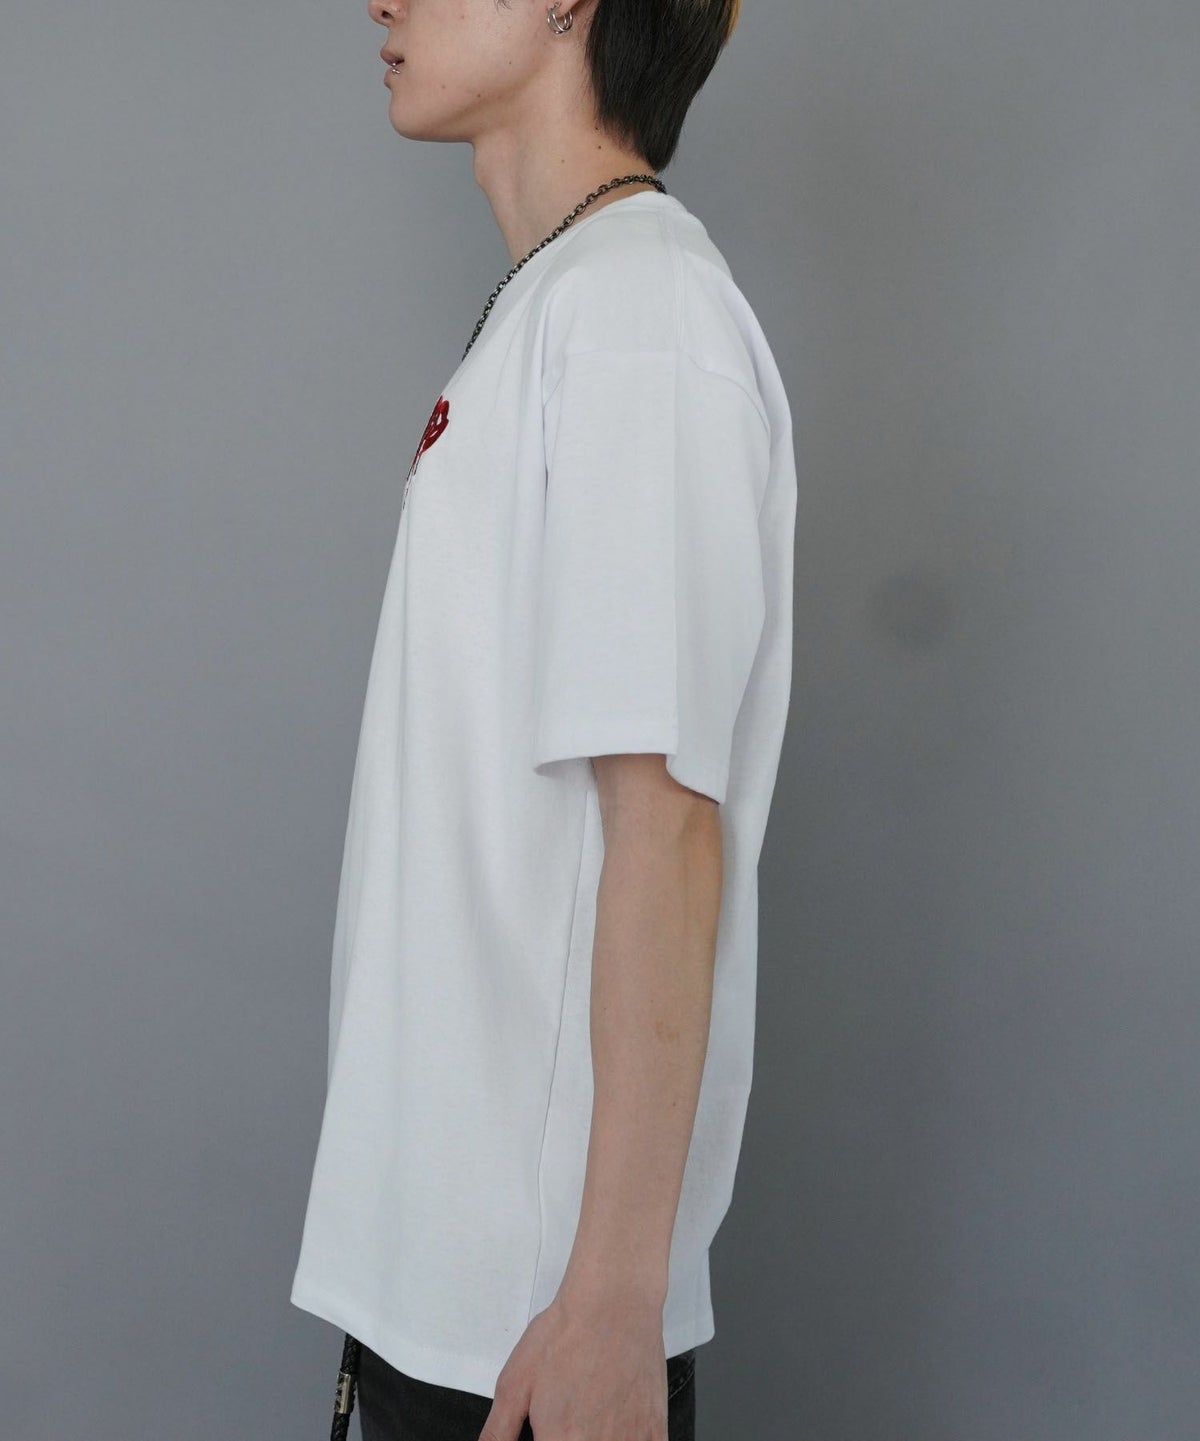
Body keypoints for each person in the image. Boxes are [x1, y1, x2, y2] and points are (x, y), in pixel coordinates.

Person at [289, 0, 797, 1437]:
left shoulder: (639, 316)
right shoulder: (566, 302)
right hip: (455, 1295)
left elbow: (666, 822)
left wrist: (611, 1309)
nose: (382, 1)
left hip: (534, 1330)